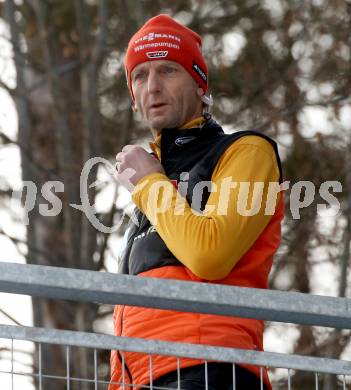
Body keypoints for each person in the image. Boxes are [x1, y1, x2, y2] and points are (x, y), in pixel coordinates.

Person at [110, 14, 284, 390]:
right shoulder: (153, 186)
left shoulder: (245, 151)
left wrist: (150, 183)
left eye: (168, 70)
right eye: (140, 76)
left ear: (200, 84)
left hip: (209, 367)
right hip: (142, 377)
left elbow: (210, 254)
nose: (152, 87)